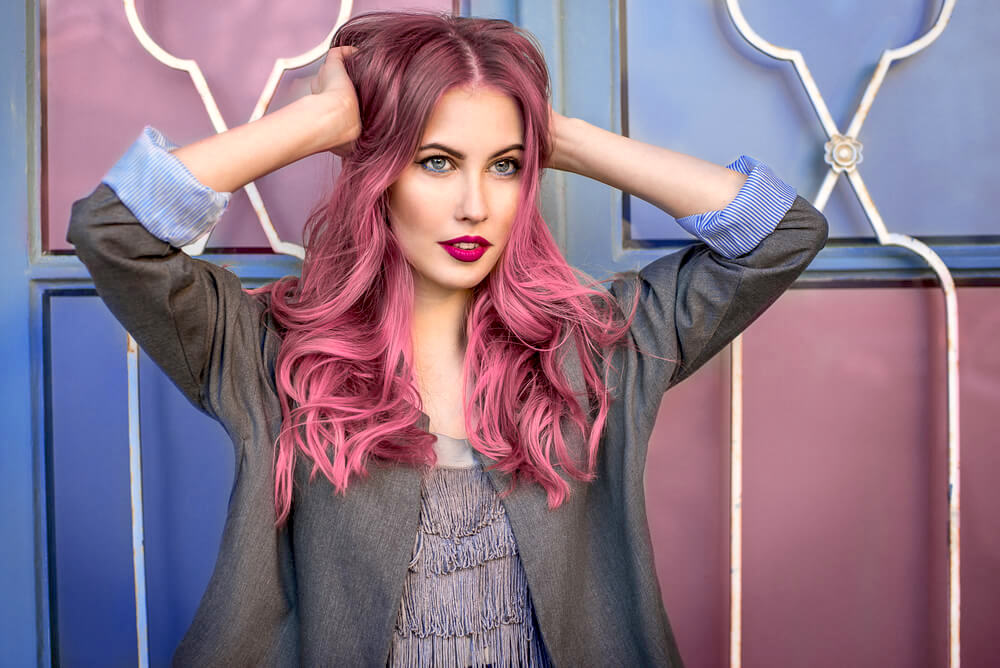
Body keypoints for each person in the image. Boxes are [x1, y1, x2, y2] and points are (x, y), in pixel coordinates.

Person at [68, 10, 827, 667]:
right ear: (378, 175)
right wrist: (320, 124)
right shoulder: (267, 352)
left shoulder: (598, 351)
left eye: (504, 167)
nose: (475, 204)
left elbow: (782, 234)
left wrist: (559, 136)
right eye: (435, 162)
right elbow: (115, 232)